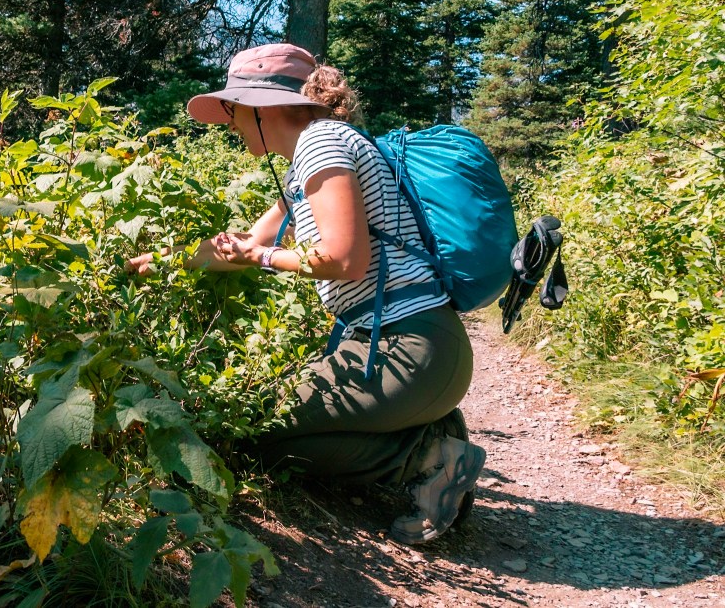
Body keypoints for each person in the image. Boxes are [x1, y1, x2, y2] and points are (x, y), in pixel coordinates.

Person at [126, 43, 486, 544]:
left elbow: (344, 259)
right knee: (257, 427)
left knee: (245, 426)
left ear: (261, 105)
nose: (228, 121)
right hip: (409, 353)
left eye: (232, 108)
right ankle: (427, 437)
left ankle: (426, 458)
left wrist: (263, 259)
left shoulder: (323, 143)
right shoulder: (307, 161)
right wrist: (165, 261)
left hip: (407, 350)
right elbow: (247, 243)